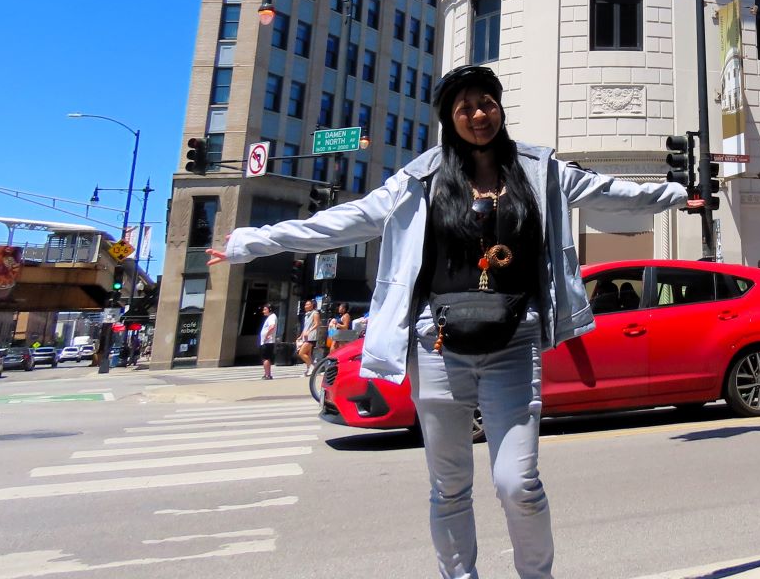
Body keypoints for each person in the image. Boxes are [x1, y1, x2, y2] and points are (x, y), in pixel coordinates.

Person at [208, 64, 686, 579]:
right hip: (436, 347)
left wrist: (678, 194)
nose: (478, 114)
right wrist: (248, 243)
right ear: (448, 118)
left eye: (487, 102)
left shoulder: (538, 168)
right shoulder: (419, 179)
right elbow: (343, 221)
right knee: (449, 486)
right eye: (465, 107)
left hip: (514, 341)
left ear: (500, 108)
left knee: (518, 483)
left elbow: (609, 191)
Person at [298, 299, 320, 375]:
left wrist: (309, 331)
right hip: (305, 337)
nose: (306, 306)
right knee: (308, 354)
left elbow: (317, 324)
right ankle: (309, 370)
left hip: (311, 337)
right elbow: (305, 327)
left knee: (301, 353)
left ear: (312, 305)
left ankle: (312, 367)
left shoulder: (315, 313)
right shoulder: (306, 315)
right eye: (305, 304)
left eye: (308, 304)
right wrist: (301, 336)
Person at [258, 304, 279, 379]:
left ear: (270, 309)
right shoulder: (271, 317)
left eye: (265, 309)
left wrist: (266, 336)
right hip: (267, 341)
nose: (263, 311)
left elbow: (272, 327)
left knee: (265, 358)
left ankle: (267, 375)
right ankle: (267, 374)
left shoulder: (271, 317)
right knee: (266, 358)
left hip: (267, 342)